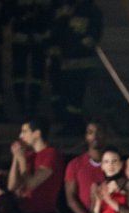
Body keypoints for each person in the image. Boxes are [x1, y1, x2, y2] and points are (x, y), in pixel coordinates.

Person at [49, 0, 103, 129]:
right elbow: (56, 32)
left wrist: (74, 50)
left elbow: (93, 35)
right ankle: (67, 122)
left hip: (81, 62)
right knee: (65, 95)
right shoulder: (63, 9)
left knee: (75, 98)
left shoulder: (92, 11)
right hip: (64, 62)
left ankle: (73, 124)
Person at [10, 0, 55, 115]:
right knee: (19, 73)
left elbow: (53, 12)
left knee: (37, 73)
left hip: (39, 37)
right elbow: (8, 12)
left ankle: (33, 101)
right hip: (21, 38)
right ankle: (21, 101)